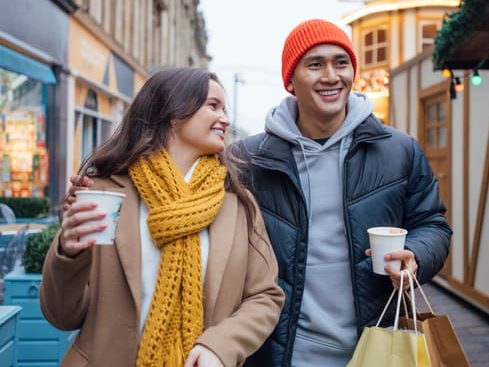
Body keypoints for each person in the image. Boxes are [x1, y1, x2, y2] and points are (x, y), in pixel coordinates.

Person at [230, 19, 453, 366]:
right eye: (315, 64)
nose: (331, 76)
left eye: (341, 62)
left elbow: (433, 224)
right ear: (290, 80)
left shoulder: (400, 150)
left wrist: (416, 256)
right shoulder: (249, 160)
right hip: (283, 353)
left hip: (380, 348)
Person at [39, 68, 284, 367]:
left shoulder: (239, 205)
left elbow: (265, 297)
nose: (225, 119)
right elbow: (62, 315)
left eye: (225, 109)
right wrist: (69, 252)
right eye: (213, 106)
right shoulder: (104, 193)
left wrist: (221, 346)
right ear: (174, 113)